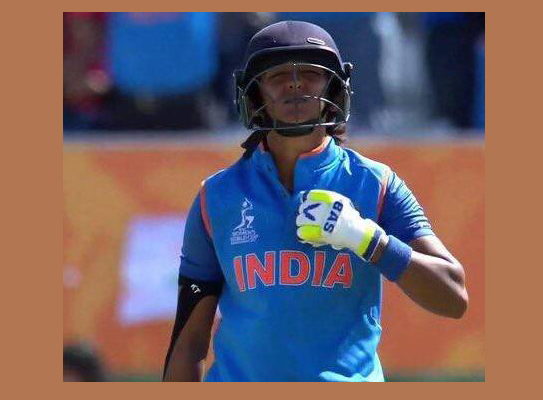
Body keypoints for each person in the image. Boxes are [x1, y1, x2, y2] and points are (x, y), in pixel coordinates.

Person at [163, 20, 468, 382]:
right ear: (255, 94)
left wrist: (370, 241)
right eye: (277, 75)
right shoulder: (215, 197)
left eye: (310, 73)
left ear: (334, 87)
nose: (295, 83)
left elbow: (453, 296)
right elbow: (189, 342)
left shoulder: (376, 183)